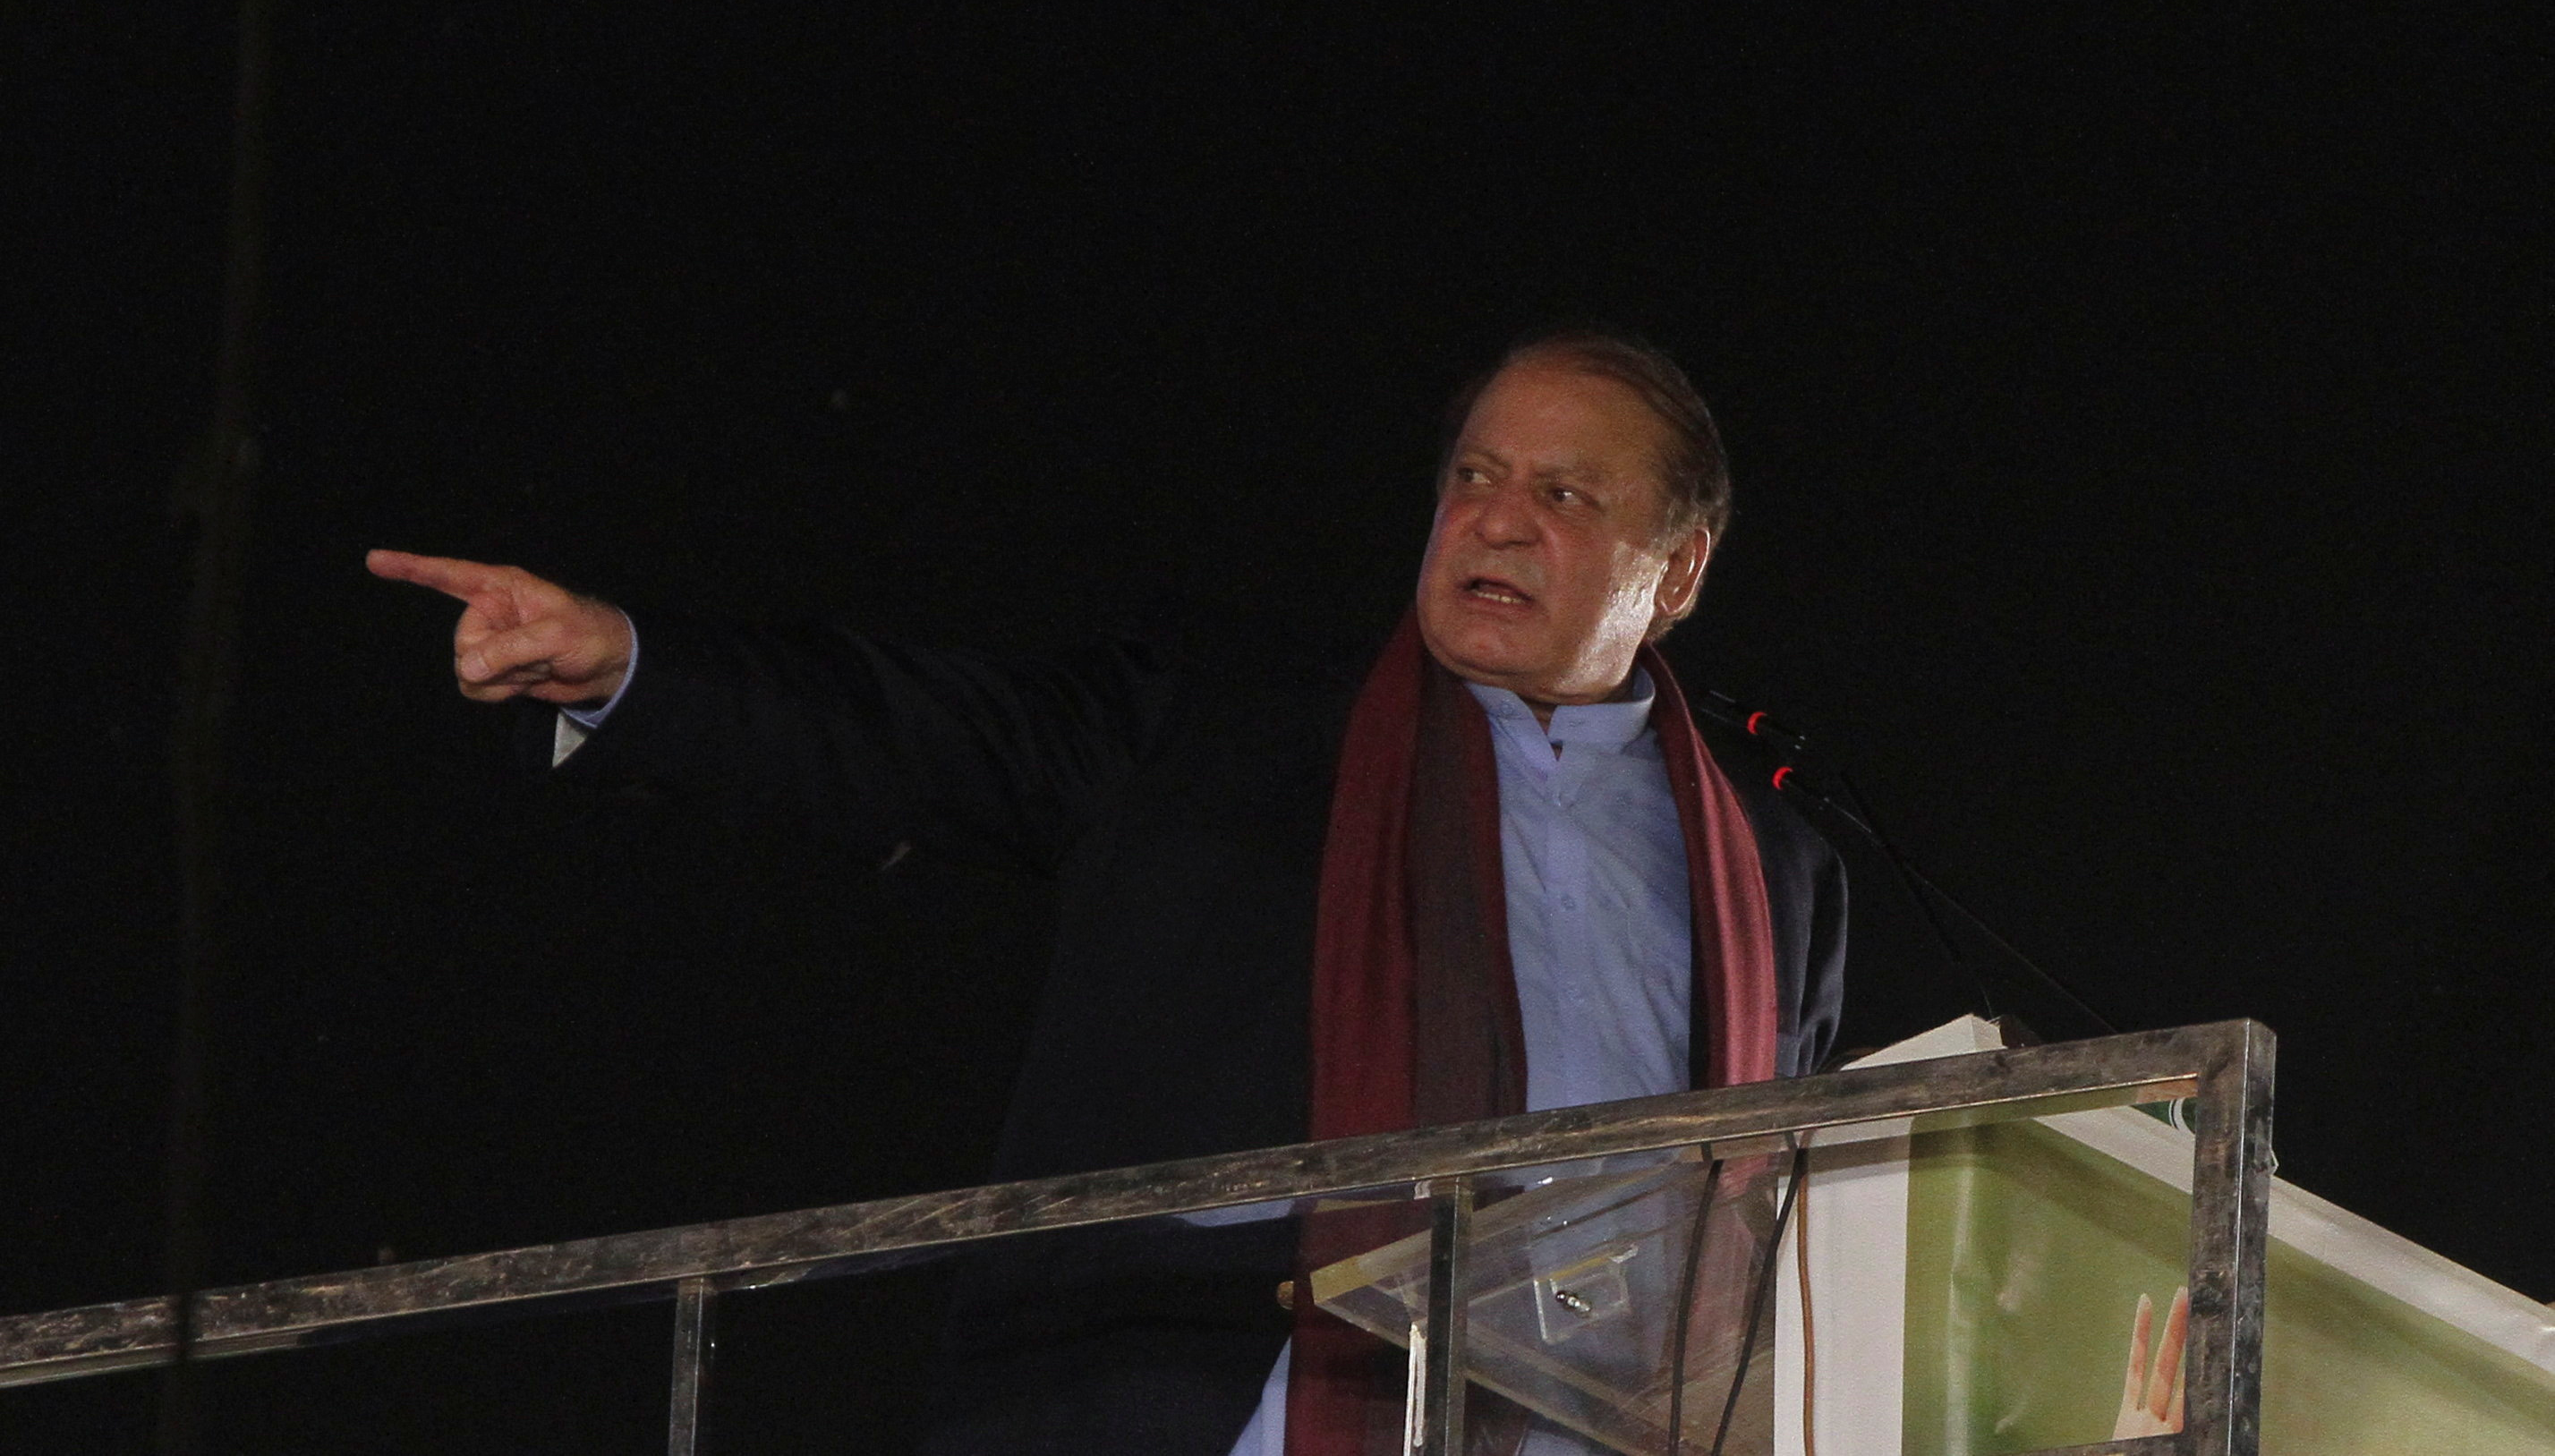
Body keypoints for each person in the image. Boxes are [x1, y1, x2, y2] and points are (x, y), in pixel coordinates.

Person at [370, 331, 1848, 1456]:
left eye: (1565, 494)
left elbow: (1791, 1211)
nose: (1497, 520)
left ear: (1677, 574)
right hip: (1218, 1407)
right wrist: (628, 667)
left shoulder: (1777, 870)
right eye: (1474, 477)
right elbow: (919, 736)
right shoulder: (1225, 732)